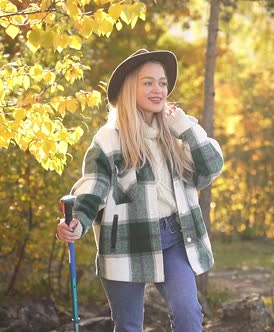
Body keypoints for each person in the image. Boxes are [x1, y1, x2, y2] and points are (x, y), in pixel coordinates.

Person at [55, 48, 224, 332]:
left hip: (174, 237)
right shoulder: (110, 140)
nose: (158, 89)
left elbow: (212, 166)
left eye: (162, 83)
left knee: (188, 314)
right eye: (148, 82)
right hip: (125, 240)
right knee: (129, 325)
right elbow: (93, 188)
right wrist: (77, 222)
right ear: (130, 88)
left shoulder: (176, 132)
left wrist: (187, 127)